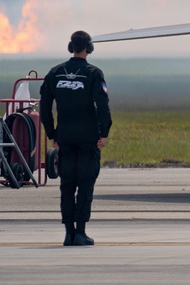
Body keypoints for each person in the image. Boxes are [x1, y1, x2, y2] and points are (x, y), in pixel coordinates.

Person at [39, 30, 112, 247]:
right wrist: (104, 133)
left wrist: (52, 133)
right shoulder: (93, 74)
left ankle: (68, 233)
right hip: (88, 139)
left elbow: (44, 107)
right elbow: (103, 107)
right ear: (89, 48)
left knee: (67, 185)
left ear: (71, 47)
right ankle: (80, 232)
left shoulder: (55, 73)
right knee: (85, 184)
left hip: (66, 139)